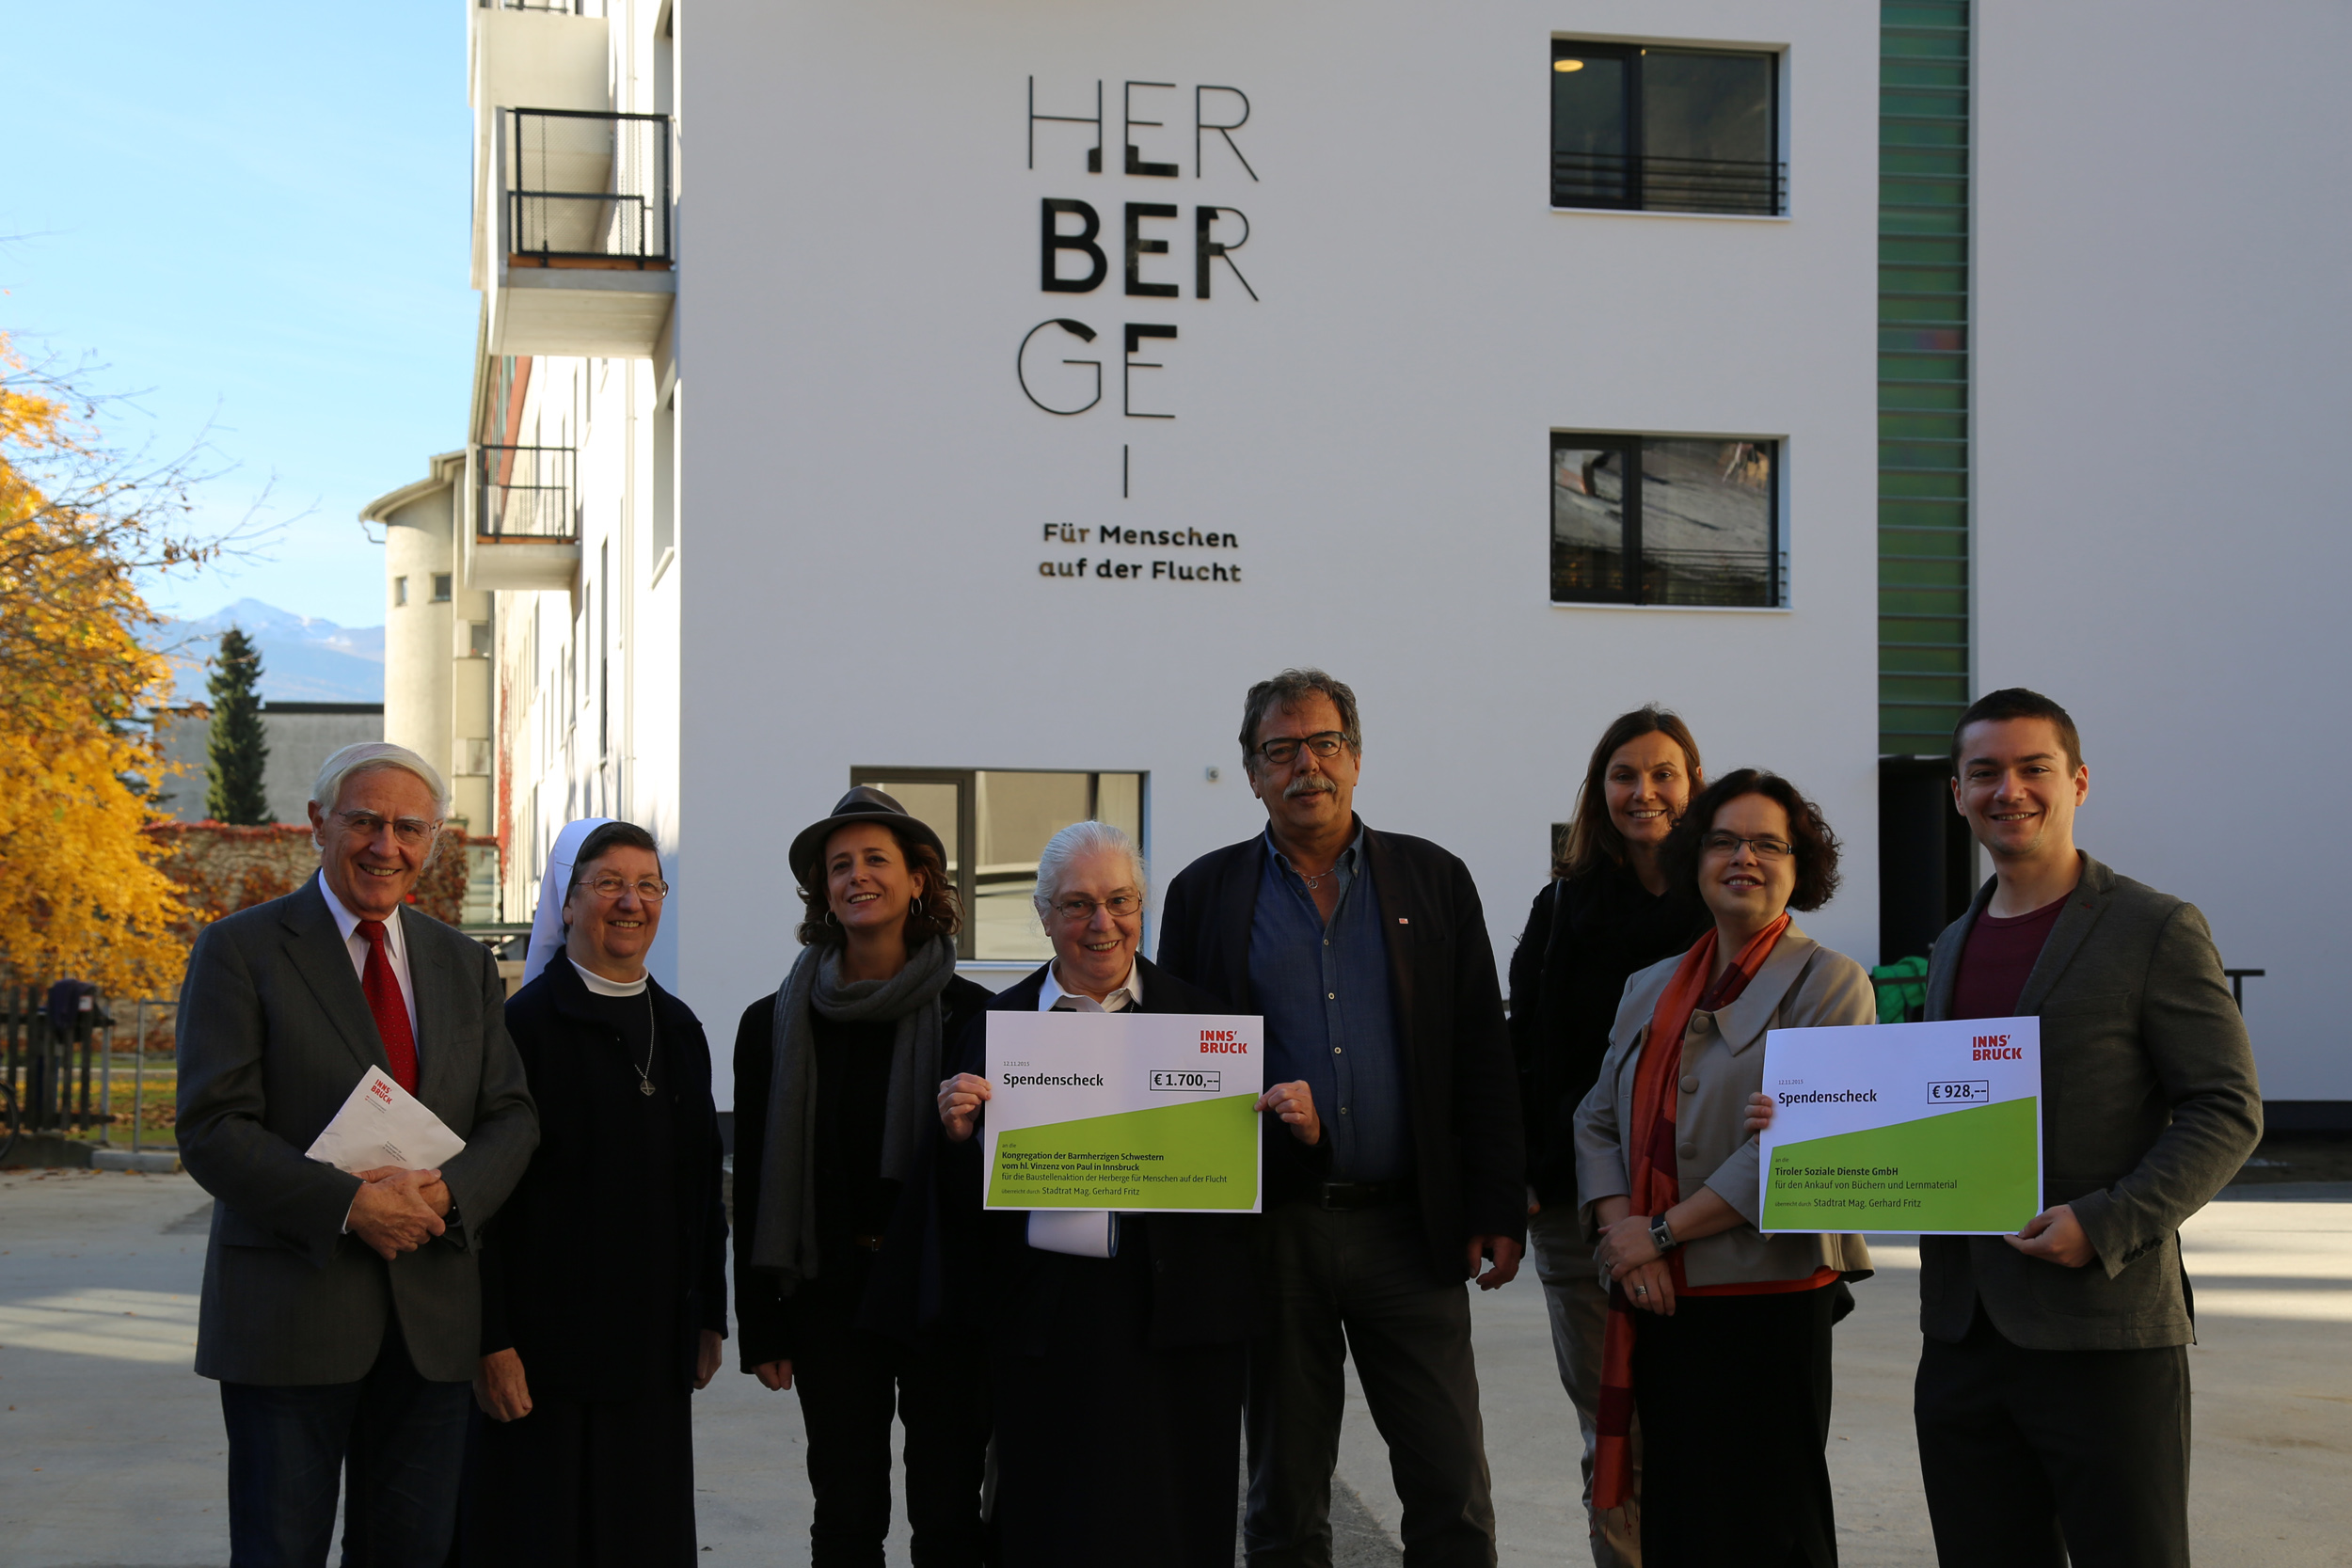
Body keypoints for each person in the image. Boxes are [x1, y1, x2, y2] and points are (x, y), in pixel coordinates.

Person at [1156, 668, 1525, 1568]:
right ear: (1253, 773)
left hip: (1411, 1227)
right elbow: (1174, 1063)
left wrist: (1496, 1201)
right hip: (1274, 1233)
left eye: (1324, 744)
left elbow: (1481, 1046)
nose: (1305, 766)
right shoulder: (1204, 893)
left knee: (1451, 1486)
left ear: (1355, 758)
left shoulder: (1434, 878)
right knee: (1283, 1498)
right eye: (1280, 750)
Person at [1909, 689, 2261, 1567]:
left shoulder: (2155, 928)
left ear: (2079, 781)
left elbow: (2226, 1108)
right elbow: (1943, 1111)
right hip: (1962, 1336)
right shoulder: (1949, 945)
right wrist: (1806, 1124)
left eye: (2035, 767)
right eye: (1985, 772)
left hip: (2105, 1329)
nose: (2009, 790)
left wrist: (2106, 1222)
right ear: (1957, 793)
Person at [176, 741, 538, 1567]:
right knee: (278, 1551)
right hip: (290, 1317)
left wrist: (449, 1193)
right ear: (318, 822)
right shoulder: (241, 949)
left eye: (410, 828)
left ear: (433, 840)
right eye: (365, 821)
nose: (387, 845)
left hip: (432, 1322)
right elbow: (213, 1126)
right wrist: (350, 1205)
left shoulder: (461, 963)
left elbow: (512, 1116)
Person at [934, 820, 1324, 1568]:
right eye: (1077, 904)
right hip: (1047, 1324)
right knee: (1052, 1527)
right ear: (1044, 914)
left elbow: (1259, 1183)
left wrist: (1302, 1134)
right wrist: (956, 1137)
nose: (1101, 922)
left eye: (1119, 900)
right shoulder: (995, 1028)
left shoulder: (1208, 1024)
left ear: (1142, 908)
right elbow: (959, 1207)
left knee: (1173, 1525)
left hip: (1179, 1325)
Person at [1572, 768, 1874, 1568]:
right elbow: (1595, 1118)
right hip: (1662, 1296)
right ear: (1695, 858)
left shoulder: (1831, 983)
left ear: (1800, 866)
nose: (1744, 857)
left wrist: (1660, 1232)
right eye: (1724, 841)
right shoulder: (1648, 985)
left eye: (1768, 843)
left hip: (1770, 1295)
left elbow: (1801, 1143)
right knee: (1680, 1521)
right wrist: (1628, 1241)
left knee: (1772, 1528)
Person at [732, 786, 994, 1566]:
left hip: (943, 1297)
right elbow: (755, 1178)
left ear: (918, 880)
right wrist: (763, 1324)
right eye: (839, 865)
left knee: (949, 1515)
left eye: (876, 859)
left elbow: (996, 1173)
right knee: (845, 1516)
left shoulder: (975, 1016)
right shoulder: (772, 1022)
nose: (857, 876)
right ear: (823, 890)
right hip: (829, 1297)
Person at [459, 820, 728, 1564]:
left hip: (651, 1358)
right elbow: (481, 1204)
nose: (630, 902)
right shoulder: (520, 1029)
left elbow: (702, 1182)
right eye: (609, 883)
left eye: (647, 885)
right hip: (541, 1360)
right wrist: (490, 1341)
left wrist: (709, 1312)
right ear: (569, 902)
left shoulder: (679, 1028)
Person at [1510, 705, 1709, 1568]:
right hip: (1578, 1209)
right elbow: (1524, 1050)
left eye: (1665, 773)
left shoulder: (1725, 902)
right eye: (1624, 774)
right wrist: (1520, 1171)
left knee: (1702, 1428)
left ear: (1695, 786)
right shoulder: (1561, 908)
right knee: (1614, 1430)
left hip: (1705, 1207)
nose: (1644, 791)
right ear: (1599, 791)